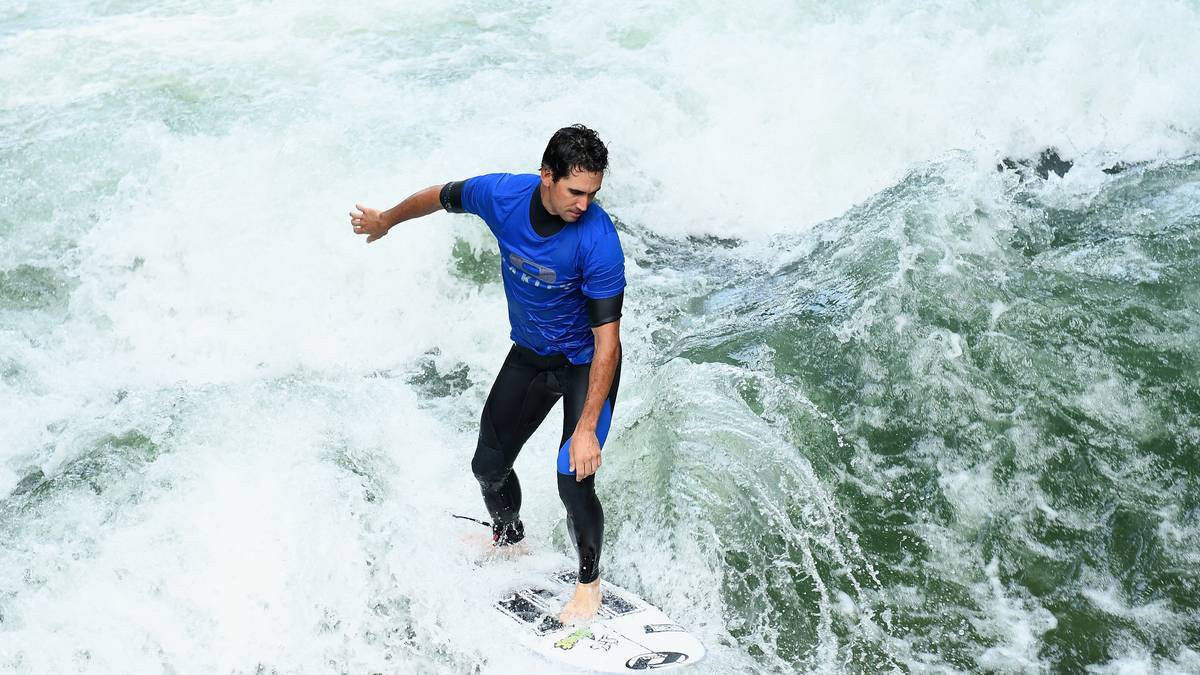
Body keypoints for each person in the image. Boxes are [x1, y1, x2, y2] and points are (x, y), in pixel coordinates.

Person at [349, 125, 624, 623]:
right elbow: (440, 195)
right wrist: (386, 219)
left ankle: (590, 584)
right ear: (547, 177)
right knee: (487, 466)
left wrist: (586, 430)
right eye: (575, 191)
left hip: (585, 363)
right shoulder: (502, 196)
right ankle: (510, 537)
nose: (584, 204)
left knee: (572, 475)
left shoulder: (598, 242)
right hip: (531, 354)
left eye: (593, 193)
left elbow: (608, 341)